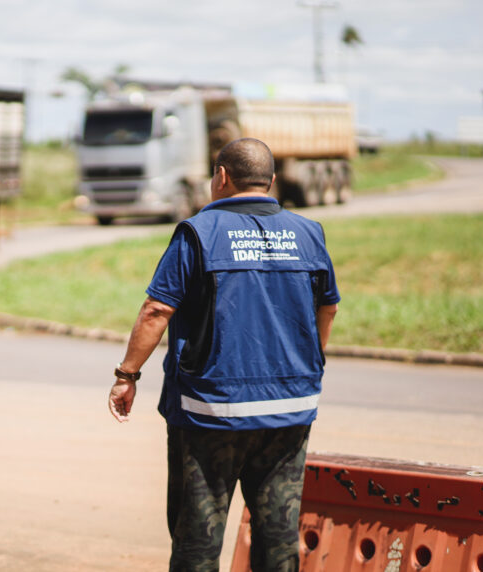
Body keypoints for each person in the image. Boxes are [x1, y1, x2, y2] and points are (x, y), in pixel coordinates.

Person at [108, 138, 340, 572]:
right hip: (290, 409)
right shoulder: (309, 232)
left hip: (210, 413)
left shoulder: (199, 233)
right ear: (270, 181)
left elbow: (157, 309)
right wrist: (310, 359)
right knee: (278, 540)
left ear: (221, 177)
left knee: (198, 541)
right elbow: (328, 306)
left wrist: (127, 375)